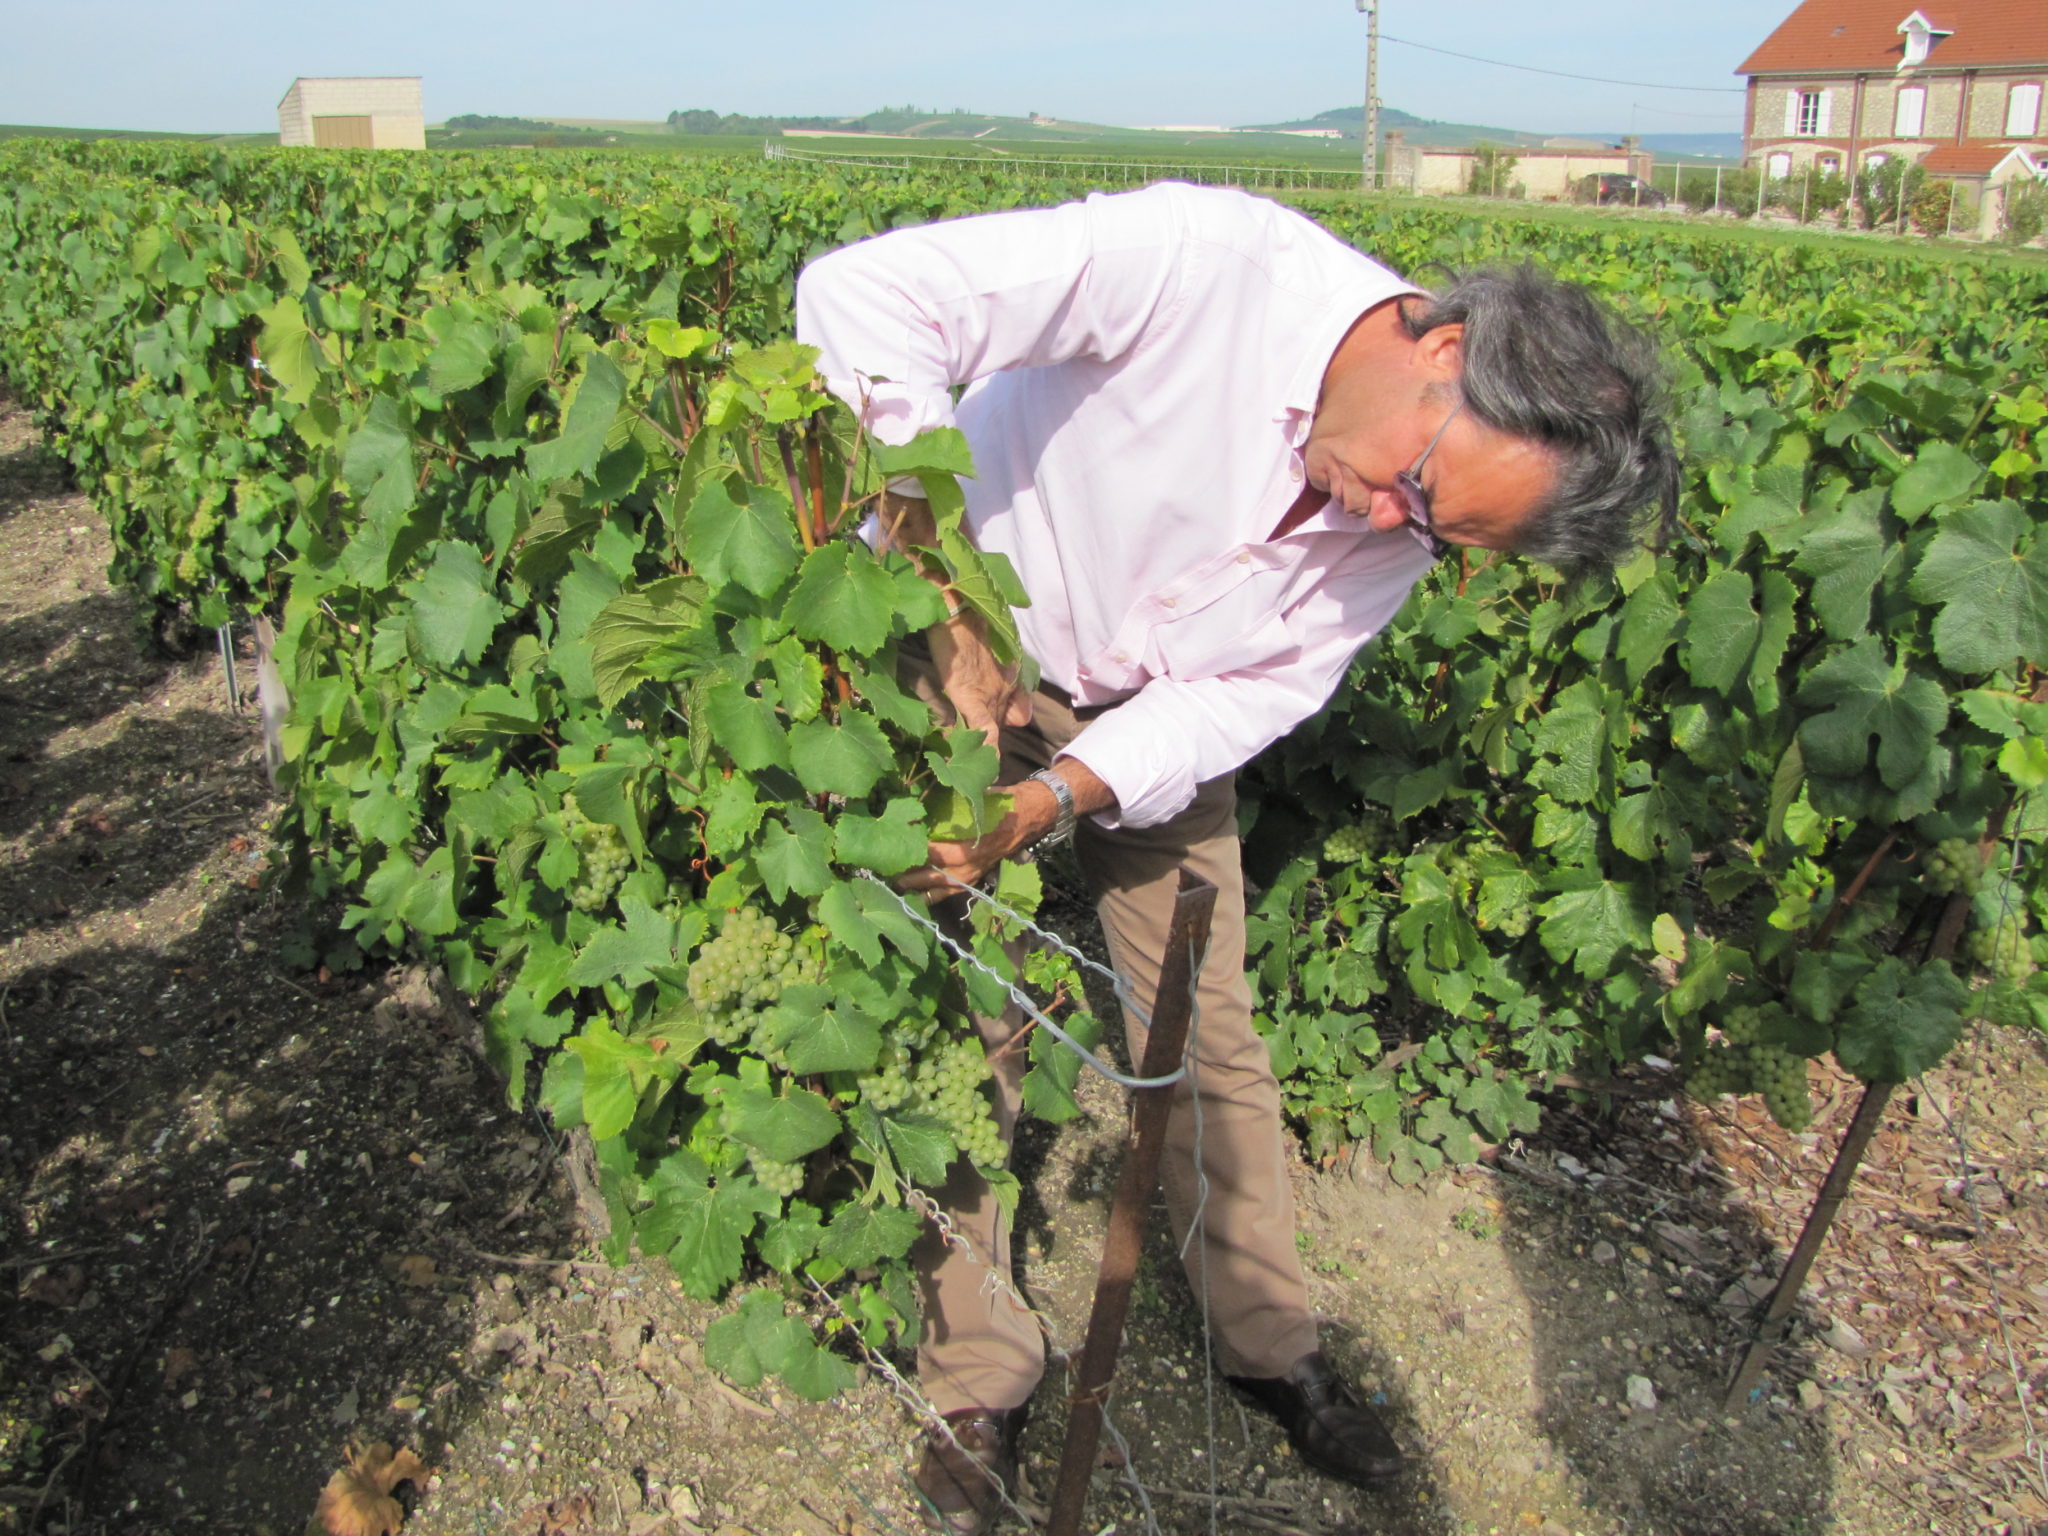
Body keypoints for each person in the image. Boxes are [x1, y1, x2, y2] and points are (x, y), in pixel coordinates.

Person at [795, 180, 1676, 1533]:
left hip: (1144, 719)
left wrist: (1054, 802)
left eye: (1439, 538)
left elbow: (1245, 697)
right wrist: (935, 586)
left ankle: (1266, 1343)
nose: (1390, 529)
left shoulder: (1398, 521)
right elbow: (861, 295)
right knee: (968, 1021)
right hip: (952, 643)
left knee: (1207, 1029)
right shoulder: (1206, 265)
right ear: (1443, 350)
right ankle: (976, 1372)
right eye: (1419, 489)